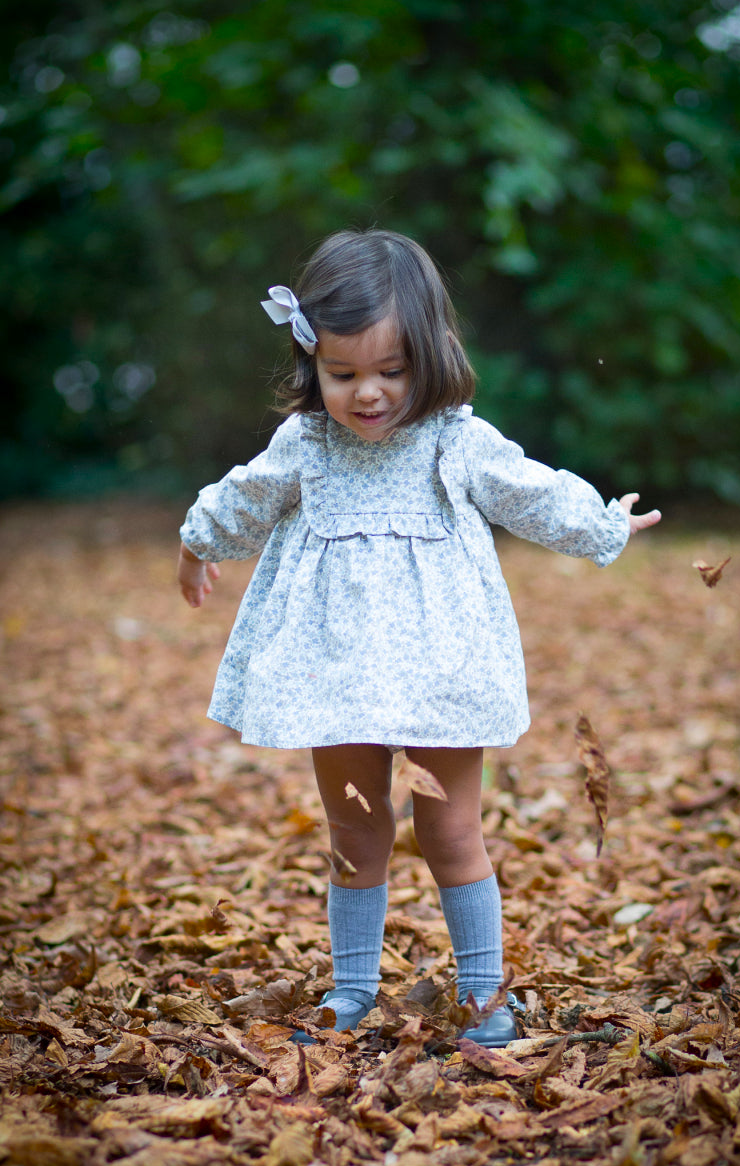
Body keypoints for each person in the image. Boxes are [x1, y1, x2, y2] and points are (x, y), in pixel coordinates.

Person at [178, 229, 661, 1047]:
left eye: (390, 372)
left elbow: (528, 489)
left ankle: (482, 992)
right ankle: (351, 989)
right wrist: (197, 542)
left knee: (451, 829)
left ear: (431, 357)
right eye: (343, 374)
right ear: (312, 364)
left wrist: (601, 524)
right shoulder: (308, 445)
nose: (367, 393)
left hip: (441, 668)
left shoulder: (454, 440)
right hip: (334, 675)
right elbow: (245, 495)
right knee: (357, 832)